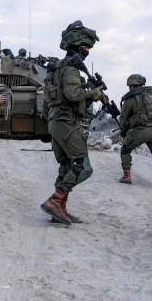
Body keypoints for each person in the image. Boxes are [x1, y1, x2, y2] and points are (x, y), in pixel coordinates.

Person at [40, 20, 104, 226]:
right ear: (77, 45)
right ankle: (55, 201)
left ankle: (60, 209)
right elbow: (72, 93)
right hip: (67, 122)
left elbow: (47, 102)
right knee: (82, 167)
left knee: (66, 166)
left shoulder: (55, 69)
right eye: (86, 47)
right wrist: (94, 93)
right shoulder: (70, 69)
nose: (87, 51)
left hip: (55, 121)